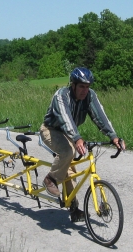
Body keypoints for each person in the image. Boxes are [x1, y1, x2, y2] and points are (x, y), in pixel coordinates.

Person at [40, 67, 125, 223]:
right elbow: (65, 118)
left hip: (69, 133)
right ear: (73, 85)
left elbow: (100, 116)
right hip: (51, 130)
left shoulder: (90, 96)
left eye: (87, 87)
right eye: (81, 86)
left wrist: (113, 137)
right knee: (68, 151)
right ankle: (50, 179)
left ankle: (73, 207)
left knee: (71, 171)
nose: (85, 90)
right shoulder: (62, 95)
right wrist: (78, 138)